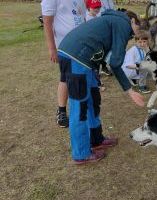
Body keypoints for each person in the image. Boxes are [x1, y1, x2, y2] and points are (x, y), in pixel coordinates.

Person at [57, 9, 145, 164]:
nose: (138, 34)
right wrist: (130, 91)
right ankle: (81, 154)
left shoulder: (114, 21)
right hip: (76, 57)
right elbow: (115, 63)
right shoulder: (123, 24)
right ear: (132, 21)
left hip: (84, 60)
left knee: (93, 99)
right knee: (80, 107)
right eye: (139, 28)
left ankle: (96, 139)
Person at [41, 0, 86, 128]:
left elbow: (82, 15)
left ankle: (80, 107)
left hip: (81, 44)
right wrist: (52, 48)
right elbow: (47, 22)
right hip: (66, 46)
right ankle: (61, 111)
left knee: (75, 76)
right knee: (65, 77)